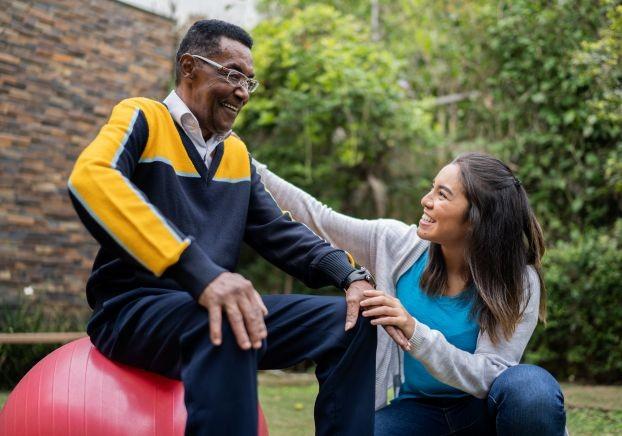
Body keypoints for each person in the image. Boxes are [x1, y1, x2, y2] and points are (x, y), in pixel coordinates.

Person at [67, 19, 378, 436]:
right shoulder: (142, 116)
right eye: (232, 74)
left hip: (212, 312)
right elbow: (91, 178)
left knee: (354, 321)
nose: (242, 92)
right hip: (132, 311)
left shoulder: (236, 154)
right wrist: (200, 272)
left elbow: (279, 231)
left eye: (250, 81)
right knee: (228, 314)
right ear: (189, 67)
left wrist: (349, 275)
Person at [255, 152, 567, 435]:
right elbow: (318, 219)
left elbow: (489, 376)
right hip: (418, 411)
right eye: (432, 188)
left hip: (482, 412)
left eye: (442, 195)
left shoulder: (519, 280)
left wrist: (415, 332)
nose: (426, 200)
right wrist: (246, 164)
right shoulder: (396, 244)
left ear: (476, 219)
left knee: (530, 389)